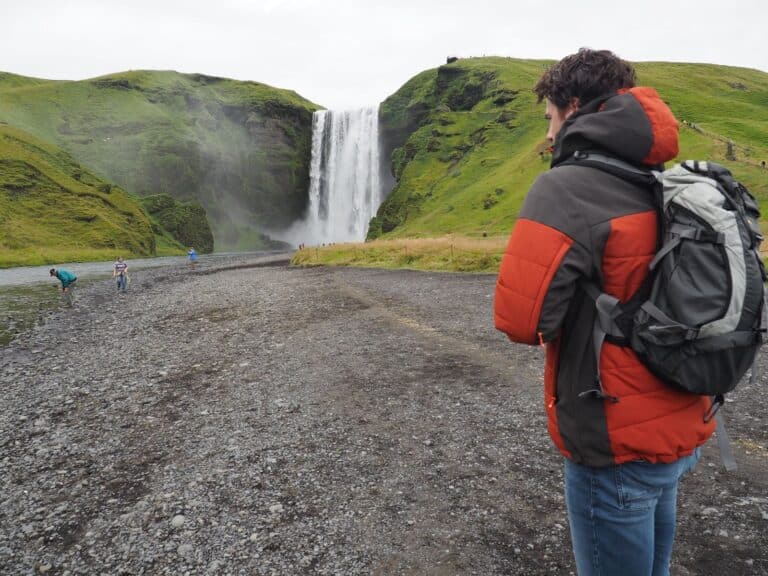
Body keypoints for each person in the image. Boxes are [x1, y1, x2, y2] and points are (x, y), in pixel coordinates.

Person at [493, 48, 714, 576]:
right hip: (678, 420)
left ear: (572, 107)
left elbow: (519, 320)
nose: (548, 137)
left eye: (549, 118)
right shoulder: (665, 179)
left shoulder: (565, 188)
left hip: (613, 434)